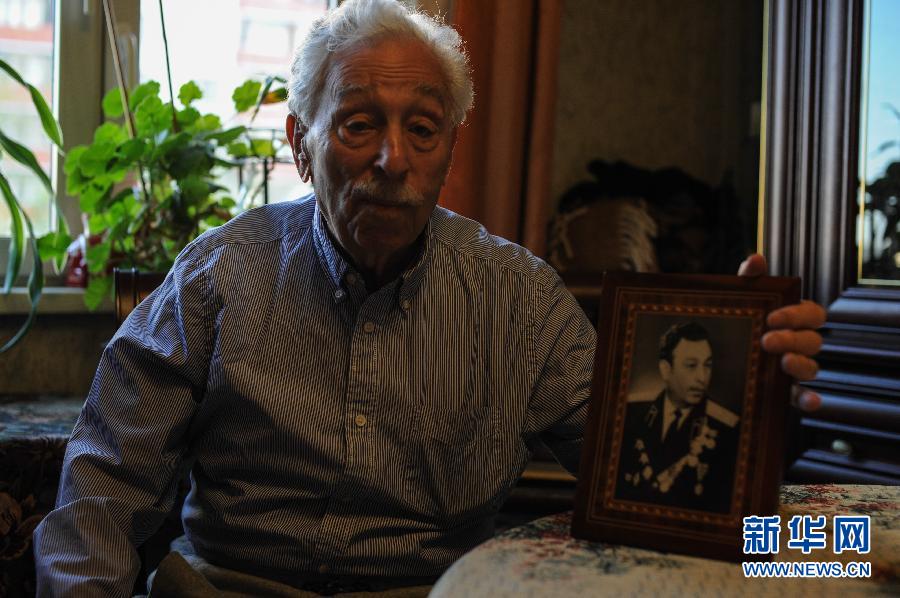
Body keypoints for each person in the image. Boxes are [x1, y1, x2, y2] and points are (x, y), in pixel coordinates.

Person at [33, 0, 826, 595]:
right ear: (300, 146)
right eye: (357, 125)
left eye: (423, 128)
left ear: (450, 148)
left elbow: (648, 479)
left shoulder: (521, 303)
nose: (393, 158)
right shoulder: (217, 278)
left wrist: (744, 392)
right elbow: (103, 494)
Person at [616, 321, 739, 513]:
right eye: (691, 366)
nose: (702, 377)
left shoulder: (725, 428)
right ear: (666, 369)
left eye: (707, 365)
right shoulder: (631, 413)